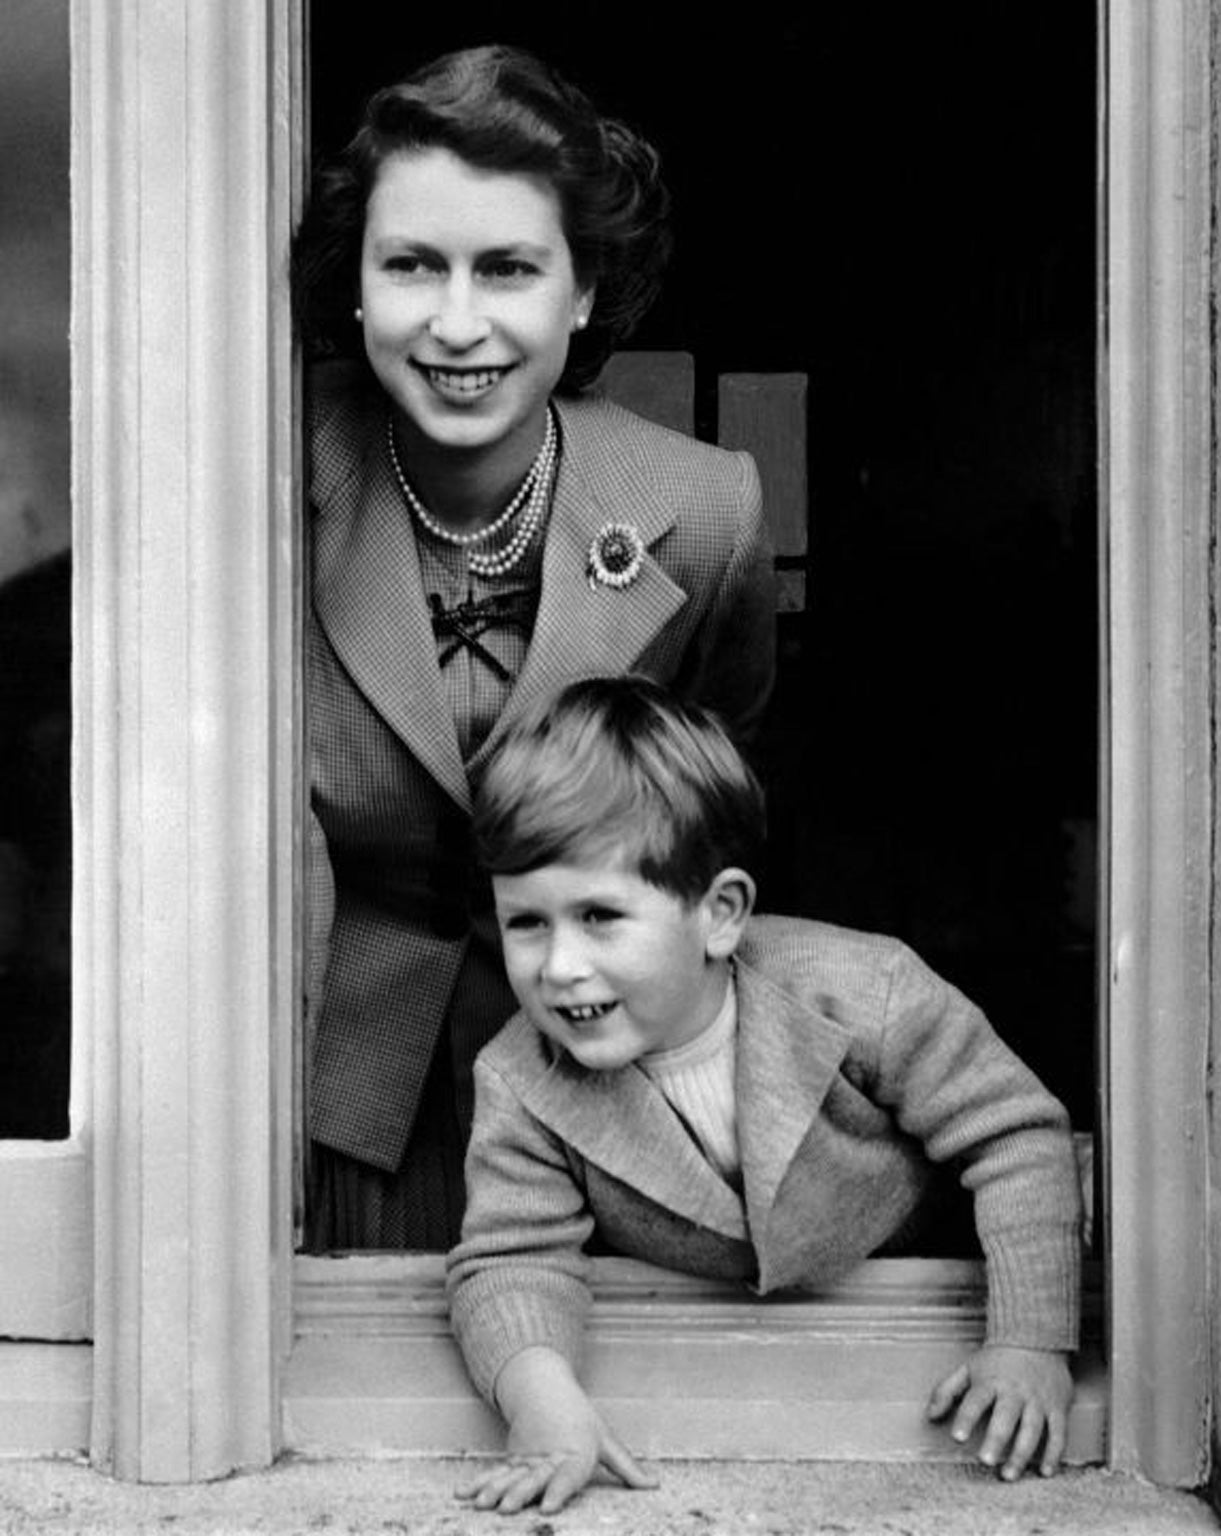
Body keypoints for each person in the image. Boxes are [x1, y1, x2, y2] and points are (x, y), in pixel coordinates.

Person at [289, 46, 777, 1250]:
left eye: (508, 269)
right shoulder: (266, 475)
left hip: (614, 1095)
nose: (460, 324)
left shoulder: (709, 509)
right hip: (335, 1101)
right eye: (413, 266)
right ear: (356, 287)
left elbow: (713, 801)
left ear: (581, 292)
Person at [447, 675, 1084, 1515]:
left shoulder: (864, 991)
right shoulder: (521, 1077)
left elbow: (1017, 1138)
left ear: (720, 914)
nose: (559, 966)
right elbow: (510, 1257)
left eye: (599, 916)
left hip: (911, 1316)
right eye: (527, 922)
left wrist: (1030, 1342)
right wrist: (542, 1400)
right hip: (724, 1361)